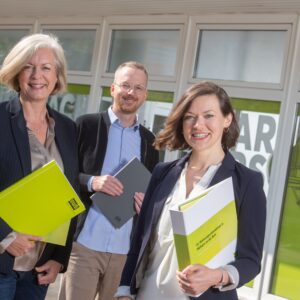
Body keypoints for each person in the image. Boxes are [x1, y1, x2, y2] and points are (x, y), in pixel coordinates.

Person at [115, 81, 267, 300]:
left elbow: (251, 261)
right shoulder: (163, 173)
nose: (198, 125)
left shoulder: (247, 183)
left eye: (209, 115)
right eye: (190, 117)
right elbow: (139, 240)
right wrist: (124, 291)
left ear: (227, 119)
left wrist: (217, 276)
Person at [58, 61, 159, 300]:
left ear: (145, 95)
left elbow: (151, 191)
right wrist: (92, 182)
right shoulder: (86, 125)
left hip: (124, 252)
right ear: (113, 89)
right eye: (125, 85)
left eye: (137, 88)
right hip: (85, 245)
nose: (130, 92)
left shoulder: (149, 141)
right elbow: (63, 174)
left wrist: (146, 203)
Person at [0, 33, 79, 300]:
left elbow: (69, 194)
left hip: (38, 270)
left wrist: (59, 257)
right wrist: (6, 236)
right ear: (16, 73)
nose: (37, 76)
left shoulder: (68, 128)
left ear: (57, 75)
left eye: (46, 68)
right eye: (28, 67)